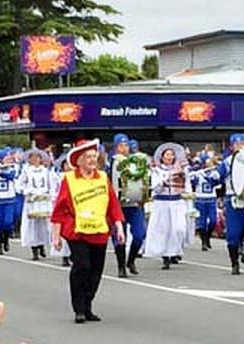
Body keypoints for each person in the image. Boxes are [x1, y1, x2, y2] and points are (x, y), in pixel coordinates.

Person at [50, 139, 125, 323]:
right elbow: (60, 208)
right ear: (80, 160)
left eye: (94, 156)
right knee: (82, 266)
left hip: (99, 230)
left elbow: (113, 204)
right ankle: (79, 308)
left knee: (96, 271)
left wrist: (119, 227)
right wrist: (56, 235)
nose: (92, 160)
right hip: (76, 231)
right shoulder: (69, 179)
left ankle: (88, 304)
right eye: (89, 157)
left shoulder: (102, 177)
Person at [217, 132, 244, 274]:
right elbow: (218, 177)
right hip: (233, 200)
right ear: (231, 146)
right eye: (237, 144)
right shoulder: (227, 162)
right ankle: (234, 262)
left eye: (242, 143)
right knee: (233, 236)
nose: (240, 146)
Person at [108, 133, 148, 277]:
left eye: (125, 145)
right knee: (119, 236)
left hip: (134, 204)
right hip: (118, 205)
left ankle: (130, 260)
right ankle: (121, 266)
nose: (123, 149)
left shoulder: (136, 161)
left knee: (139, 235)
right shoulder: (111, 162)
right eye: (120, 145)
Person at [146, 143, 190, 270]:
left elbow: (186, 185)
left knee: (178, 229)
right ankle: (166, 256)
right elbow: (155, 188)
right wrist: (164, 181)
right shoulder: (157, 171)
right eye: (167, 155)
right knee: (164, 229)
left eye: (171, 154)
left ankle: (174, 250)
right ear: (162, 157)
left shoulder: (180, 170)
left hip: (177, 202)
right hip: (162, 203)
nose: (170, 157)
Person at [18, 149, 54, 261]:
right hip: (32, 201)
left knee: (44, 225)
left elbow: (51, 186)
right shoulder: (26, 171)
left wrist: (49, 195)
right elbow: (19, 185)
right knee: (32, 225)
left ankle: (42, 245)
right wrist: (27, 192)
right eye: (32, 158)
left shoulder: (46, 171)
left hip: (44, 201)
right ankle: (34, 249)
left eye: (37, 157)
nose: (35, 160)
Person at [0, 149, 17, 255]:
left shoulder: (13, 167)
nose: (9, 159)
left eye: (9, 158)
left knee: (8, 222)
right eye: (6, 158)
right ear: (1, 159)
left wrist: (0, 171)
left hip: (9, 199)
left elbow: (10, 176)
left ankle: (5, 240)